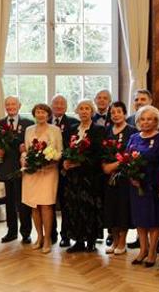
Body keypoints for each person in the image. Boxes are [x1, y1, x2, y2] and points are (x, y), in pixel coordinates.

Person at [120, 106, 159, 266]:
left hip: (154, 185)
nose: (145, 122)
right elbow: (127, 159)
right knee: (140, 219)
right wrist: (131, 176)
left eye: (149, 119)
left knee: (154, 219)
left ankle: (152, 252)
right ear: (138, 121)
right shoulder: (133, 137)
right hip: (135, 185)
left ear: (156, 121)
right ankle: (143, 249)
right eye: (142, 119)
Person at [61, 99, 105, 253]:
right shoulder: (71, 130)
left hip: (90, 176)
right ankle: (78, 240)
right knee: (75, 208)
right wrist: (65, 162)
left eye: (87, 108)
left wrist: (80, 163)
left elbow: (98, 154)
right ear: (77, 112)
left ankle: (91, 241)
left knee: (89, 208)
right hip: (73, 178)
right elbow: (65, 150)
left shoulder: (99, 130)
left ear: (92, 112)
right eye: (81, 108)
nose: (84, 111)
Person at [20, 103, 63, 253]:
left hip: (48, 172)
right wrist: (24, 158)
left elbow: (59, 152)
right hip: (32, 173)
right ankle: (39, 236)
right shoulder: (28, 130)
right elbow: (26, 150)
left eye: (43, 112)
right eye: (38, 112)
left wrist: (50, 158)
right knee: (34, 205)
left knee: (46, 205)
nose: (40, 115)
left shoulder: (55, 130)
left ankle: (48, 239)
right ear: (34, 114)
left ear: (48, 115)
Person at [0, 96, 34, 244]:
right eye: (8, 104)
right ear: (5, 107)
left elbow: (34, 145)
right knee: (9, 203)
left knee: (23, 203)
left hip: (22, 169)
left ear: (19, 106)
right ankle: (11, 232)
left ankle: (26, 233)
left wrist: (26, 149)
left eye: (13, 104)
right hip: (5, 168)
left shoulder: (28, 124)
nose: (11, 107)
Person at [101, 101, 137, 255]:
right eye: (113, 112)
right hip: (108, 178)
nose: (115, 115)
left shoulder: (132, 131)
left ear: (124, 113)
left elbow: (132, 156)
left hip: (124, 177)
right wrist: (105, 166)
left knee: (123, 210)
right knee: (111, 209)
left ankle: (122, 242)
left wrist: (114, 165)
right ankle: (114, 241)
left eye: (119, 112)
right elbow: (102, 152)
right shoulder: (107, 131)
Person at [50, 94, 79, 247]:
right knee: (49, 203)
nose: (59, 106)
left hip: (65, 170)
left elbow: (74, 147)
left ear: (66, 107)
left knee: (65, 203)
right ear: (52, 106)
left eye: (62, 103)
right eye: (56, 103)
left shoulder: (74, 124)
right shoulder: (45, 122)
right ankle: (51, 233)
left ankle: (65, 235)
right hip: (47, 170)